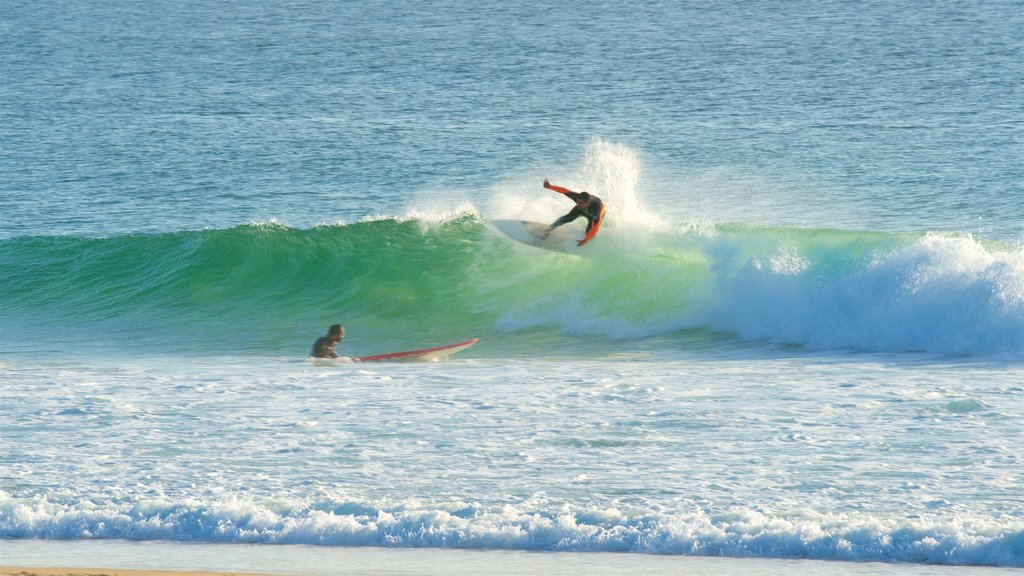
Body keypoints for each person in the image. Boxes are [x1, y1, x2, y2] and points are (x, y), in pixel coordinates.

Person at [541, 179, 607, 247]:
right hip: (582, 209)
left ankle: (589, 244)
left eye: (580, 203)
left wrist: (585, 240)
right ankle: (548, 230)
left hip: (593, 214)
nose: (578, 204)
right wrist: (550, 186)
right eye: (577, 202)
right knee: (567, 218)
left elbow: (596, 227)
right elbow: (564, 191)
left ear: (587, 202)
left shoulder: (597, 209)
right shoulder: (578, 200)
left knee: (589, 233)